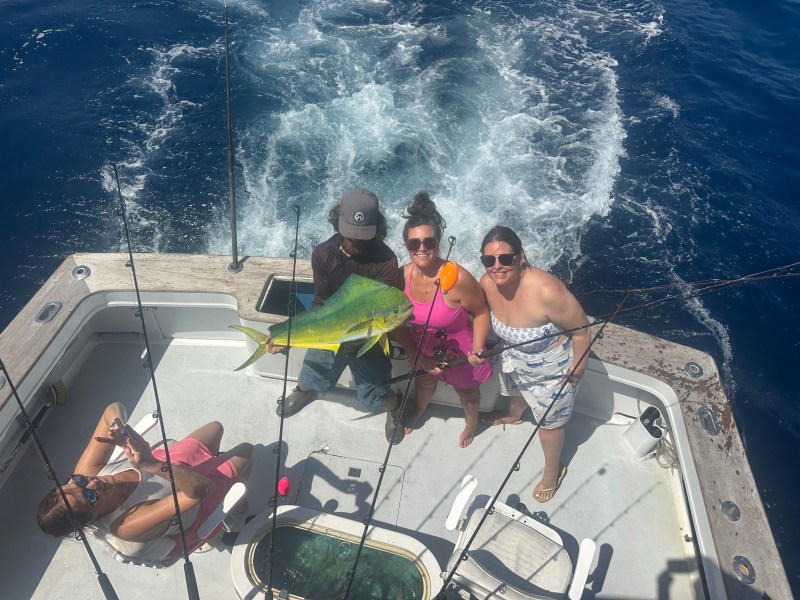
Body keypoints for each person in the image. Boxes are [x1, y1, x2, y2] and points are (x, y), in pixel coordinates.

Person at [269, 188, 408, 444]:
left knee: (373, 399)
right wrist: (289, 337)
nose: (356, 240)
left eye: (364, 235)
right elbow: (321, 302)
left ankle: (395, 403)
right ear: (336, 221)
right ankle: (303, 390)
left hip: (369, 337)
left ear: (377, 227)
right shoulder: (322, 254)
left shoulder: (386, 260)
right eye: (351, 234)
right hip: (331, 330)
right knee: (310, 377)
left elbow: (386, 308)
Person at [36, 402, 254, 560]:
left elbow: (110, 410)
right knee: (247, 450)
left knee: (215, 427)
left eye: (80, 482)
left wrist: (118, 426)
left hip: (165, 468)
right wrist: (150, 464)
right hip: (195, 501)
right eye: (90, 497)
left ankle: (214, 463)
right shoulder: (126, 526)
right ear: (92, 517)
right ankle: (230, 506)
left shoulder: (85, 473)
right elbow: (202, 489)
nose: (93, 483)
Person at [478, 225, 590, 503]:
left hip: (550, 368)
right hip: (513, 358)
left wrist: (578, 367)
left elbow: (581, 330)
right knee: (514, 395)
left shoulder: (547, 290)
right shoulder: (486, 283)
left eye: (505, 258)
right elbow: (480, 313)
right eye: (489, 260)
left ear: (520, 257)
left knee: (549, 425)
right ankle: (514, 415)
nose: (497, 266)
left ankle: (553, 470)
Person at [396, 192, 492, 448]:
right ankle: (419, 409)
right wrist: (420, 357)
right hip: (422, 352)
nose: (422, 248)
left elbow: (481, 312)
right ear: (406, 246)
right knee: (424, 381)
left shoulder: (458, 278)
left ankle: (471, 423)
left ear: (438, 242)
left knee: (468, 394)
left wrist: (479, 346)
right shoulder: (400, 277)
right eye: (413, 244)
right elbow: (394, 325)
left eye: (429, 241)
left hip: (462, 354)